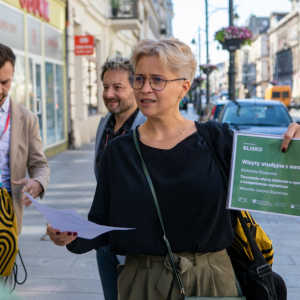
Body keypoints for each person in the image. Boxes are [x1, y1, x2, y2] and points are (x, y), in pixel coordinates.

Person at [46, 38, 300, 299]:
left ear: (184, 87)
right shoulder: (119, 151)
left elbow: (281, 179)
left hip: (211, 281)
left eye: (158, 80)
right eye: (139, 79)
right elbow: (102, 222)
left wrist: (295, 147)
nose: (145, 88)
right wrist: (70, 234)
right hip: (141, 283)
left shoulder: (217, 140)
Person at [94, 57, 146, 300]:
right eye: (105, 87)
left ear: (135, 89)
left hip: (136, 243)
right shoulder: (104, 124)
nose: (109, 94)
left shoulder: (148, 128)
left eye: (117, 87)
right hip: (105, 239)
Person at [0, 44, 50, 288]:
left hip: (7, 216)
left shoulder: (26, 118)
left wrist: (37, 183)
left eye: (5, 82)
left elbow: (39, 164)